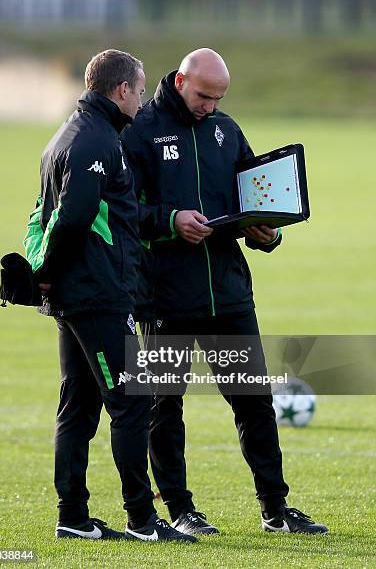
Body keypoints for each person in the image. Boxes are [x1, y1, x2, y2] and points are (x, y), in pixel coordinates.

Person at [121, 48, 328, 535]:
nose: (211, 106)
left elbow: (254, 199)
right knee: (164, 406)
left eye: (218, 98)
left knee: (253, 401)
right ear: (179, 81)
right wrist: (171, 222)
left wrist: (268, 231)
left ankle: (276, 509)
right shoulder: (140, 133)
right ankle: (180, 511)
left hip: (228, 296)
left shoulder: (226, 132)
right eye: (204, 96)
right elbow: (124, 209)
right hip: (163, 298)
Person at [23, 50, 196, 543]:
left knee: (78, 404)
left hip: (80, 294)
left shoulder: (67, 135)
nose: (143, 101)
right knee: (132, 402)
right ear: (121, 90)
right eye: (140, 91)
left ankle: (73, 517)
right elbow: (74, 218)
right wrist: (50, 273)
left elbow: (49, 212)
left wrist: (47, 276)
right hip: (98, 295)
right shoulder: (97, 141)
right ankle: (142, 520)